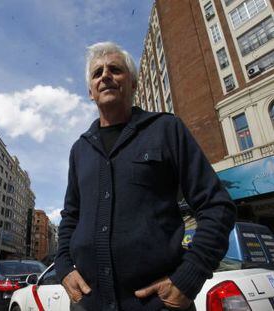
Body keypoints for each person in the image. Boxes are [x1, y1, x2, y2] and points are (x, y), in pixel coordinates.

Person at [54, 42, 236, 311]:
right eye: (97, 73)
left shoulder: (166, 129)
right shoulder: (79, 150)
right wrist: (64, 268)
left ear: (134, 83)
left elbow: (217, 206)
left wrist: (189, 277)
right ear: (90, 92)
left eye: (115, 69)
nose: (105, 75)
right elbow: (70, 216)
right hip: (88, 304)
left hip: (159, 305)